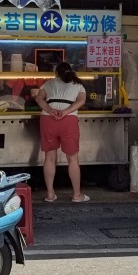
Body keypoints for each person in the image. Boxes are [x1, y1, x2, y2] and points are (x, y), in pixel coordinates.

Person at [36, 62, 88, 203]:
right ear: (70, 72)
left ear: (56, 73)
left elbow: (39, 98)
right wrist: (65, 112)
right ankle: (77, 195)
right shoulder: (78, 84)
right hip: (68, 120)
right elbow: (82, 101)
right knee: (72, 159)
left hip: (48, 120)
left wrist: (50, 110)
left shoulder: (48, 83)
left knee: (49, 158)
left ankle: (50, 195)